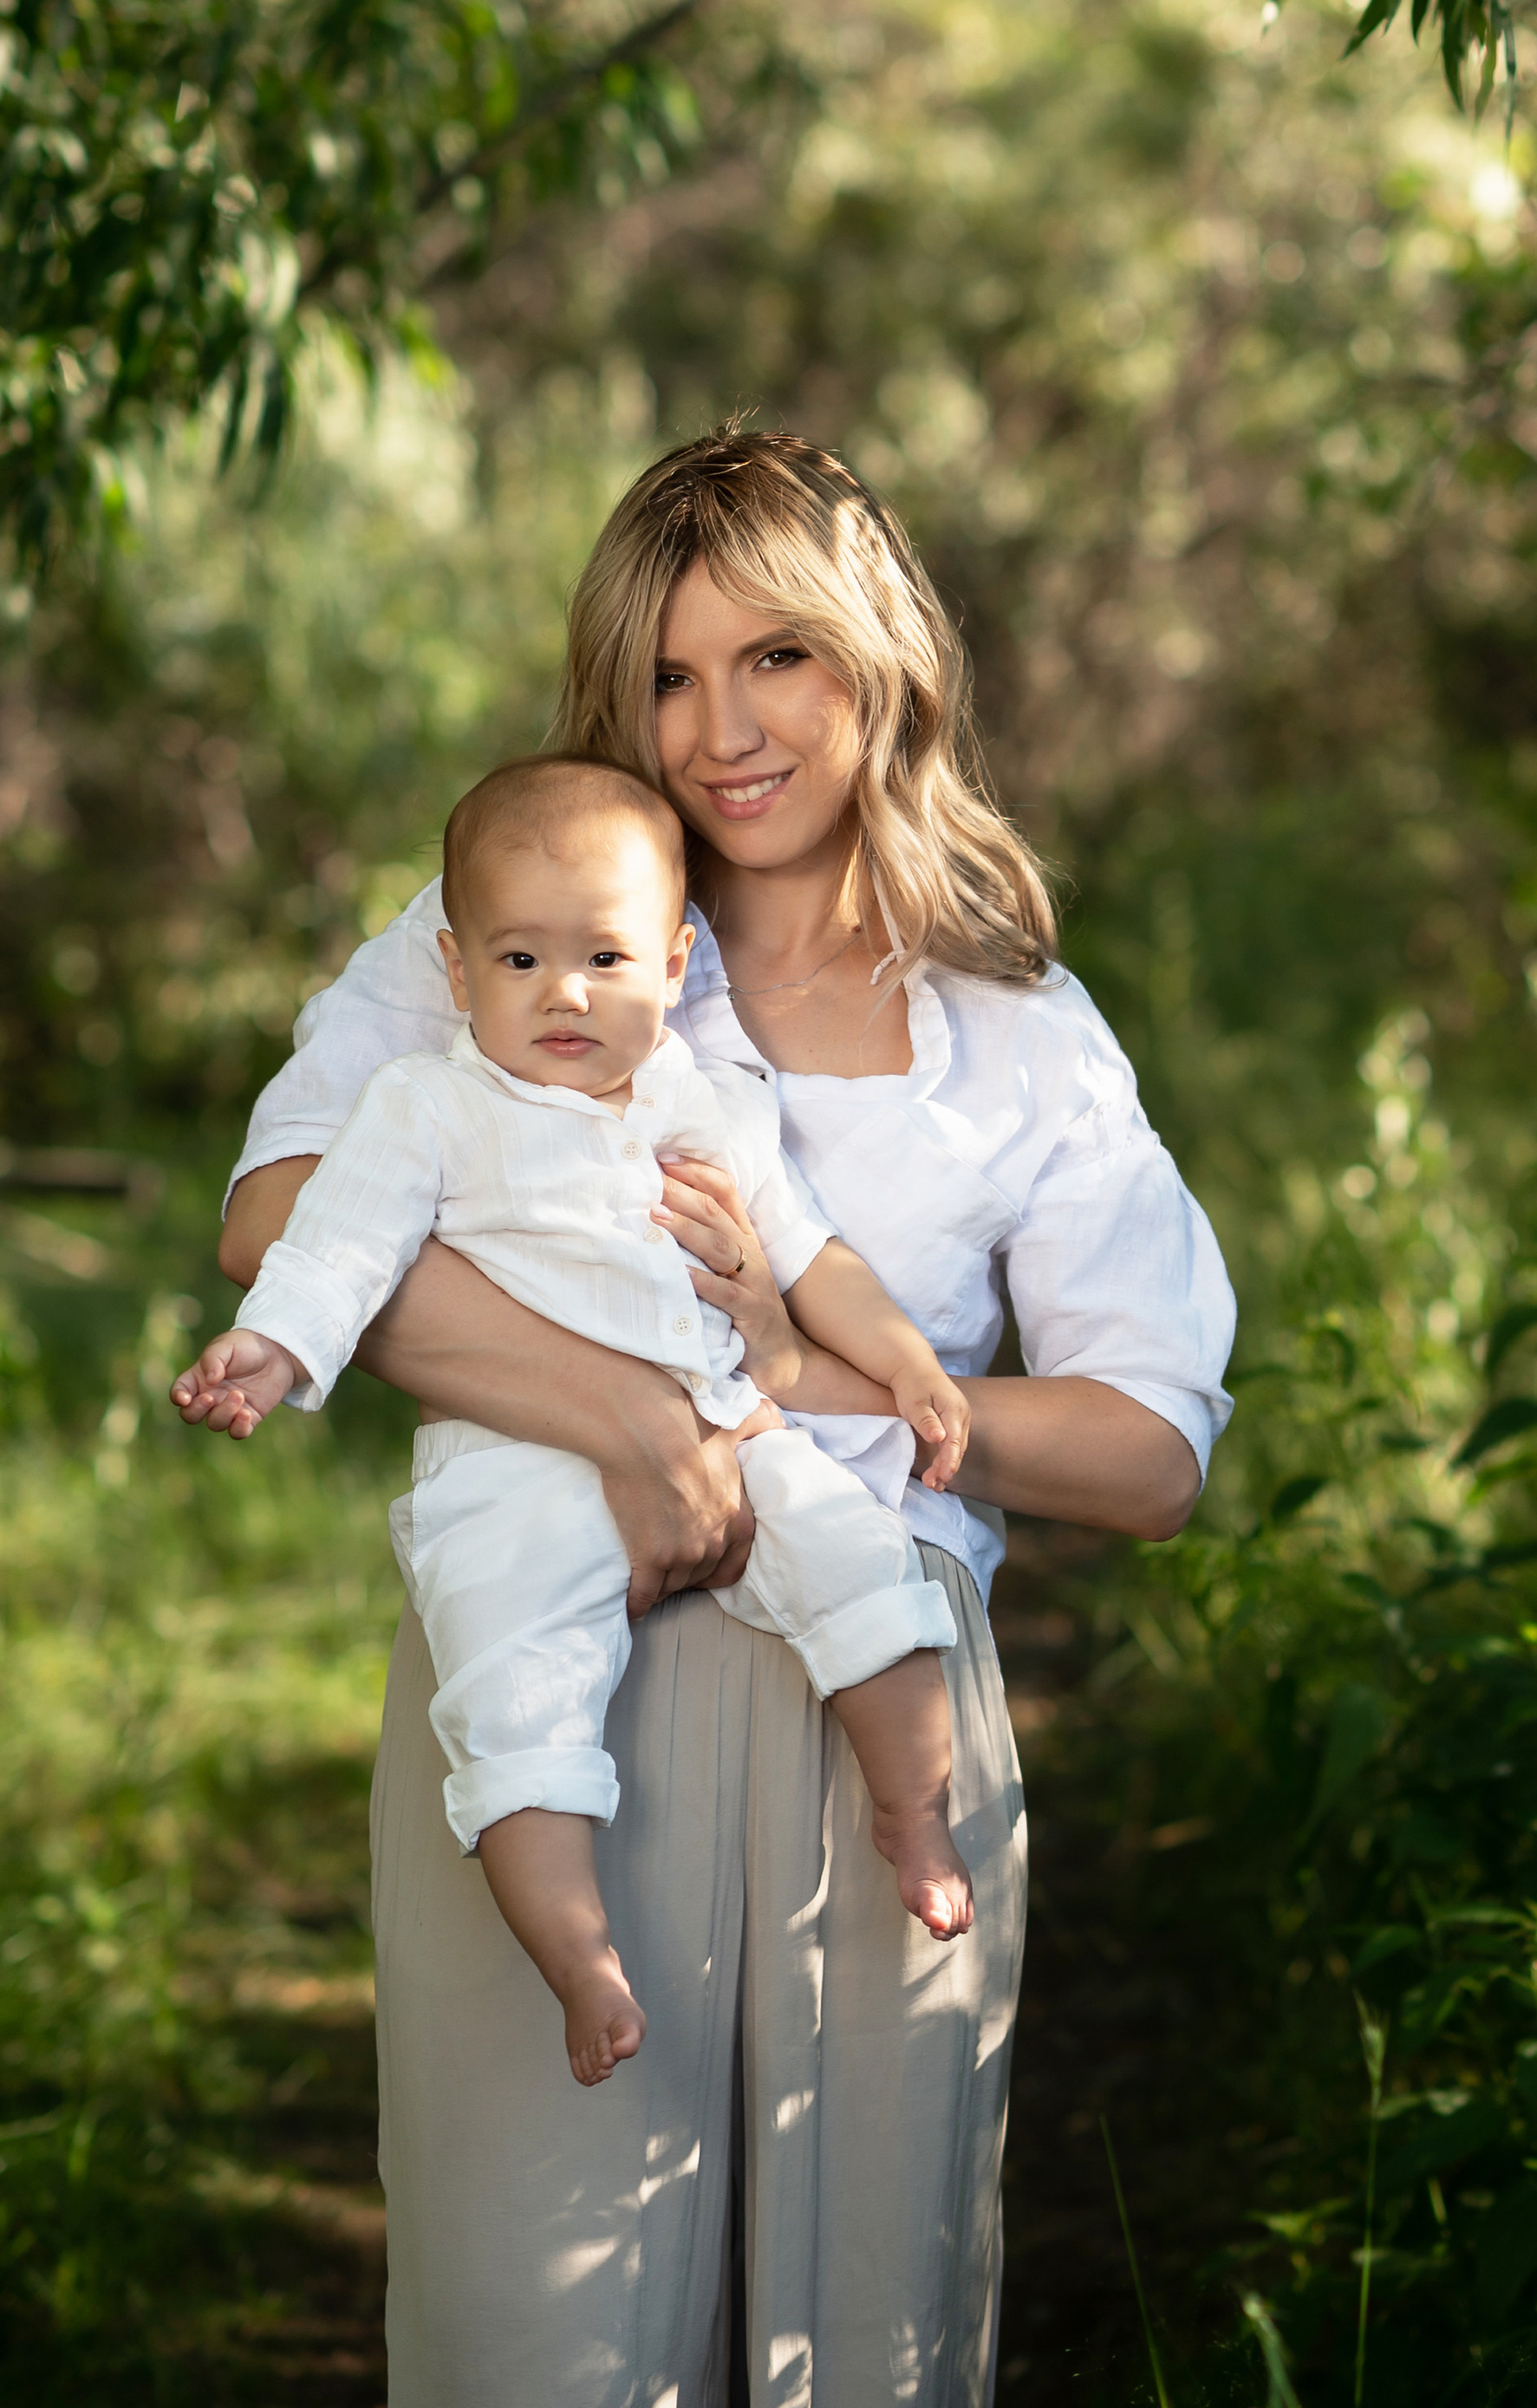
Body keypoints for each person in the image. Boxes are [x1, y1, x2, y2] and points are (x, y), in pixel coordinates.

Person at [218, 422, 1237, 2408]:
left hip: (877, 1692)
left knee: (853, 2396)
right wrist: (628, 1416)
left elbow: (1145, 1444)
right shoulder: (524, 912)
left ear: (875, 658)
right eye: (668, 676)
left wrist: (826, 1383)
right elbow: (285, 1218)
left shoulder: (1013, 1023)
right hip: (553, 1692)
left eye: (772, 656)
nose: (720, 729)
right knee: (531, 2404)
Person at [179, 754, 985, 2086]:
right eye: (520, 958)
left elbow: (815, 1252)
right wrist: (268, 1352)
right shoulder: (427, 1105)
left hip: (728, 1425)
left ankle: (914, 1814)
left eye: (606, 957)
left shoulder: (704, 1101)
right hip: (511, 1466)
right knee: (511, 1685)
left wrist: (909, 1368)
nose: (566, 992)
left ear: (675, 963)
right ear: (454, 972)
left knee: (864, 1563)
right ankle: (579, 1954)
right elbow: (337, 1248)